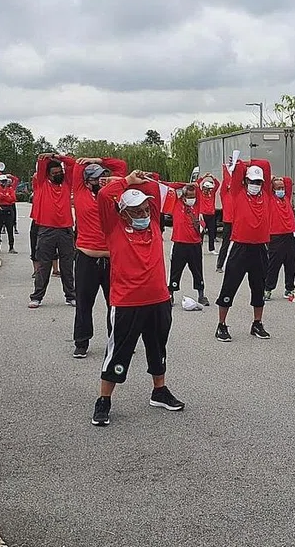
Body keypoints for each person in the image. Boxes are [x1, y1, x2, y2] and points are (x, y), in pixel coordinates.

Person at [91, 169, 185, 426]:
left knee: (158, 347)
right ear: (123, 213)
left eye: (145, 209)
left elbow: (153, 188)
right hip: (127, 302)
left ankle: (159, 391)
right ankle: (104, 400)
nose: (144, 214)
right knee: (118, 352)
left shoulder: (153, 224)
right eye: (137, 211)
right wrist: (127, 181)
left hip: (159, 299)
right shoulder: (114, 227)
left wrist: (142, 181)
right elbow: (104, 196)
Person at [71, 157, 127, 359]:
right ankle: (81, 341)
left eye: (103, 176)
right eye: (96, 178)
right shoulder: (80, 193)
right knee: (84, 302)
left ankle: (117, 340)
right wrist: (86, 162)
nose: (101, 180)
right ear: (87, 181)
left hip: (113, 259)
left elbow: (121, 167)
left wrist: (99, 160)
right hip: (87, 258)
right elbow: (77, 165)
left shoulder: (111, 195)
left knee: (116, 304)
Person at [214, 158, 272, 342]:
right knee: (229, 286)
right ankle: (221, 325)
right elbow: (237, 169)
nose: (255, 185)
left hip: (260, 248)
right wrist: (242, 164)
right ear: (245, 181)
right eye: (252, 181)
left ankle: (257, 323)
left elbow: (266, 165)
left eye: (259, 182)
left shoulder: (266, 195)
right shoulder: (237, 193)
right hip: (240, 246)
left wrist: (251, 161)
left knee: (259, 287)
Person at [29, 153, 76, 308]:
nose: (58, 174)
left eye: (60, 172)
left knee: (67, 266)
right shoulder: (42, 183)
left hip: (66, 230)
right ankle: (37, 297)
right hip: (46, 230)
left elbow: (72, 163)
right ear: (48, 174)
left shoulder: (67, 183)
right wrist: (49, 157)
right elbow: (41, 161)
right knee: (44, 266)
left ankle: (71, 296)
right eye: (54, 173)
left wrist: (58, 157)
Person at [168, 182, 208, 307]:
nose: (192, 199)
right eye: (189, 196)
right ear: (183, 196)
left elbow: (198, 187)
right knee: (175, 271)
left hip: (194, 245)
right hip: (179, 243)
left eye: (193, 196)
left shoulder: (197, 205)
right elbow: (170, 187)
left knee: (198, 271)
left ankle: (201, 295)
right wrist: (185, 184)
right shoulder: (176, 204)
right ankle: (170, 294)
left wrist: (194, 186)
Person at [264, 175, 295, 301]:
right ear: (273, 189)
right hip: (276, 236)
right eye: (278, 188)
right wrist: (271, 179)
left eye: (282, 188)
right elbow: (266, 186)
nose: (281, 190)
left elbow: (288, 181)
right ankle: (268, 289)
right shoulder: (270, 199)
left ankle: (289, 288)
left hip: (291, 234)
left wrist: (279, 179)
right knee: (274, 264)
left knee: (291, 264)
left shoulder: (286, 198)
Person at [214, 162, 234, 273]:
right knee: (225, 244)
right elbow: (226, 181)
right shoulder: (225, 194)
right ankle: (219, 265)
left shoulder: (238, 194)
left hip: (238, 222)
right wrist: (227, 170)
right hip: (228, 222)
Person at [0, 174, 18, 254]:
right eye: (2, 181)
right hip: (0, 209)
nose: (4, 183)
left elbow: (13, 199)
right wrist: (6, 196)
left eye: (5, 181)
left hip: (9, 209)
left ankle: (11, 247)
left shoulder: (10, 189)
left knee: (10, 229)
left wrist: (2, 196)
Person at [197, 173, 220, 254]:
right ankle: (199, 248)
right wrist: (203, 177)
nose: (209, 190)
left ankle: (212, 249)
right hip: (202, 216)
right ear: (204, 188)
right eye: (208, 189)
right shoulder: (200, 193)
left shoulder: (212, 193)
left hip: (211, 215)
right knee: (201, 232)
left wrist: (212, 177)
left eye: (210, 189)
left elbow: (217, 184)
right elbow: (196, 184)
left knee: (211, 232)